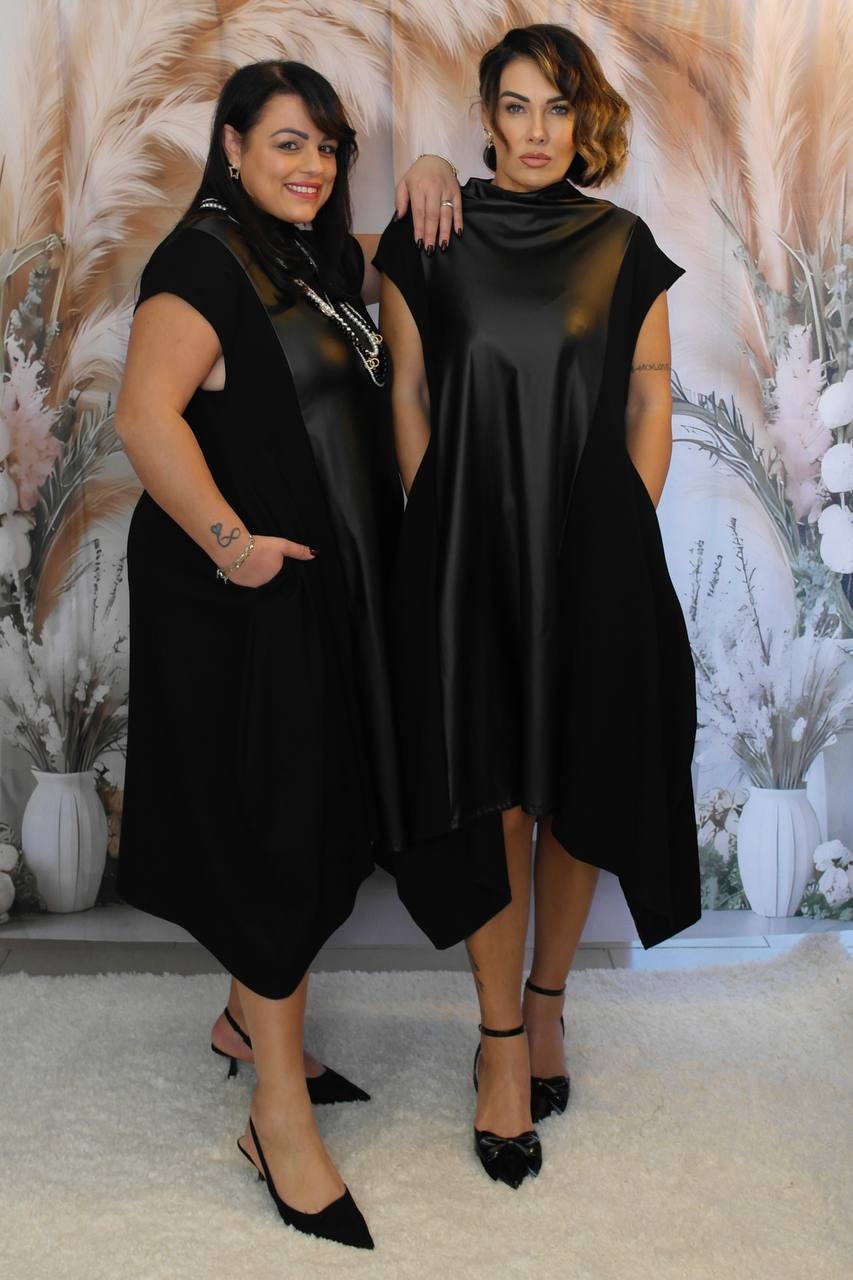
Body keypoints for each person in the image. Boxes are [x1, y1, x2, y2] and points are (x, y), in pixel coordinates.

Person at [374, 24, 701, 1190]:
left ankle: (549, 1000)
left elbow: (650, 402)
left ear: (583, 118)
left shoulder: (621, 245)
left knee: (576, 791)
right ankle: (499, 1039)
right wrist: (440, 531)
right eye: (513, 107)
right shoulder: (431, 236)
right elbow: (410, 396)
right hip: (468, 556)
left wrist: (620, 534)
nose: (534, 131)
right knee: (494, 797)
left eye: (556, 108)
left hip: (593, 556)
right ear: (486, 117)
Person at [116, 60, 405, 1249]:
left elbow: (390, 259)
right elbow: (144, 416)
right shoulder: (202, 260)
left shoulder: (307, 258)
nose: (313, 166)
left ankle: (245, 1021)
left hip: (308, 594)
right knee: (275, 836)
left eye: (328, 147)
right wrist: (235, 549)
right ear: (230, 146)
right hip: (236, 596)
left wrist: (438, 169)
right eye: (288, 142)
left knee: (309, 819)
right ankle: (275, 1116)